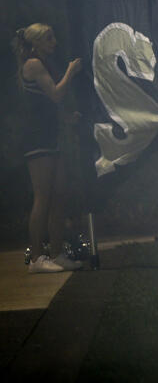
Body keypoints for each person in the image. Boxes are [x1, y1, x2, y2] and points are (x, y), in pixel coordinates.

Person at [13, 24, 85, 274]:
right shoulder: (33, 63)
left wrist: (66, 118)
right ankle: (36, 259)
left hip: (50, 136)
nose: (54, 42)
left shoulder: (43, 63)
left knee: (59, 194)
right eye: (49, 38)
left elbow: (46, 104)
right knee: (43, 196)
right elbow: (55, 94)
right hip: (37, 139)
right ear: (36, 43)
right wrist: (70, 71)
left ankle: (56, 253)